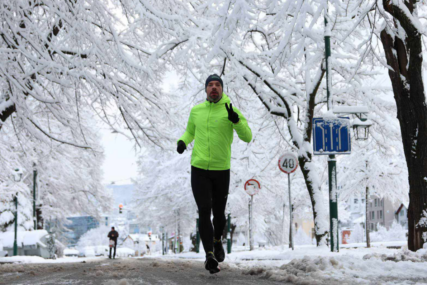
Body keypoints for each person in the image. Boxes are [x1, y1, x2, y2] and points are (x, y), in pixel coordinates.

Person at [177, 74, 252, 274]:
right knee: (204, 209)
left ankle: (218, 240)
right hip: (199, 168)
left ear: (222, 89)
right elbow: (190, 132)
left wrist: (236, 122)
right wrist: (183, 142)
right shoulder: (196, 111)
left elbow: (247, 136)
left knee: (219, 214)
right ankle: (209, 254)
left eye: (217, 85)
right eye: (210, 85)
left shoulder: (231, 111)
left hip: (221, 169)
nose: (214, 88)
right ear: (206, 89)